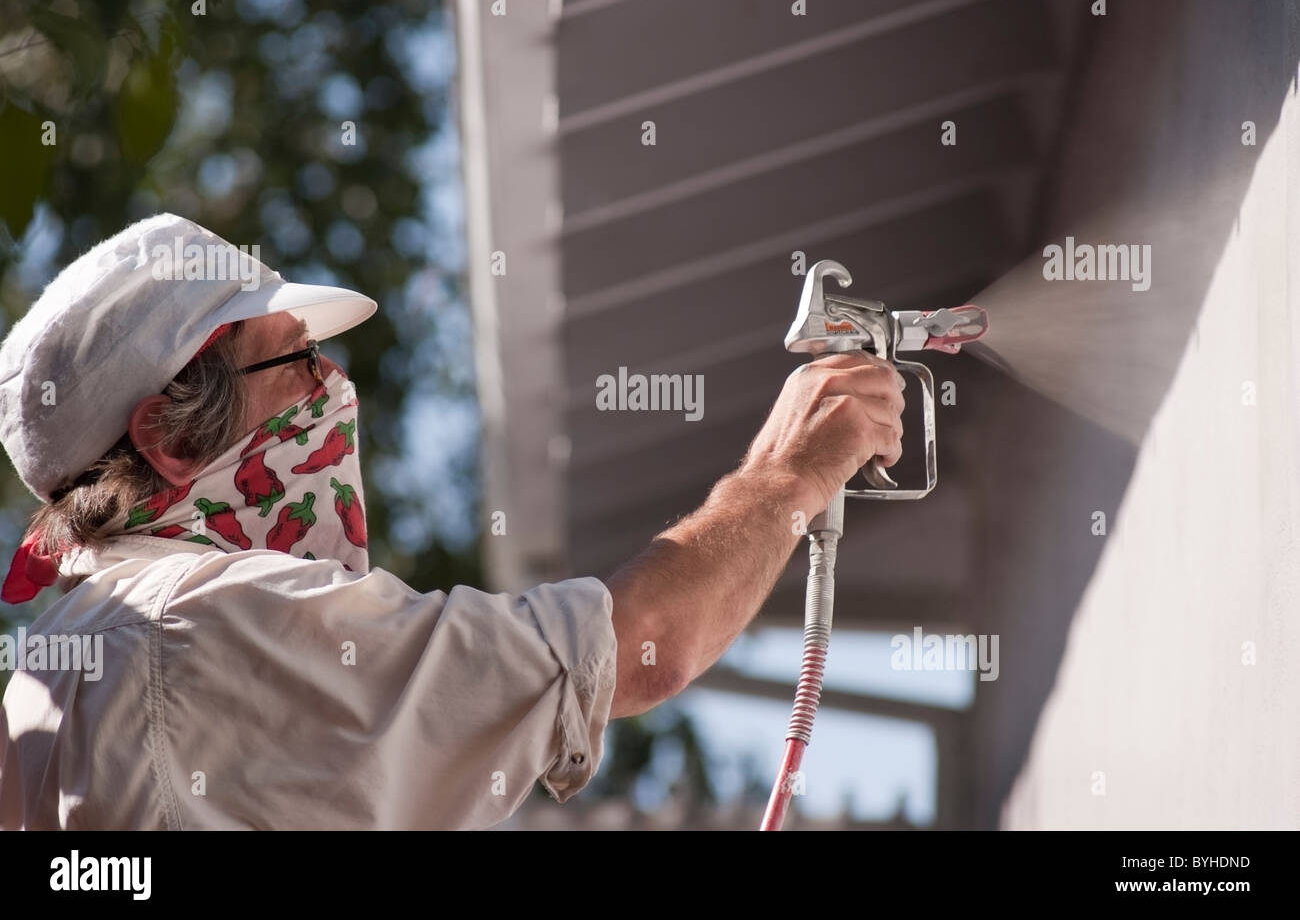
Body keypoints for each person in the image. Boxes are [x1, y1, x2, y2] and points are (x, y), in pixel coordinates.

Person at [0, 213, 904, 829]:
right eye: (295, 359)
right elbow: (640, 644)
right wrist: (789, 470)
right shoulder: (204, 622)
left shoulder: (53, 671)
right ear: (166, 436)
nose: (331, 388)